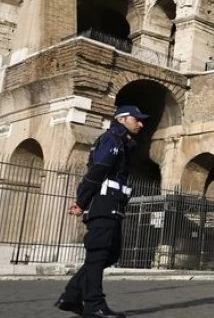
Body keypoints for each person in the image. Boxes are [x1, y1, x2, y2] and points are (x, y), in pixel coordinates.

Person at [56, 105, 148, 318]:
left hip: (113, 204)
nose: (141, 124)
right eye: (137, 119)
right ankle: (94, 305)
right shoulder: (111, 140)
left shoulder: (122, 142)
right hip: (103, 203)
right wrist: (81, 201)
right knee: (98, 254)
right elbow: (98, 170)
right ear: (123, 119)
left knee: (110, 253)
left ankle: (70, 296)